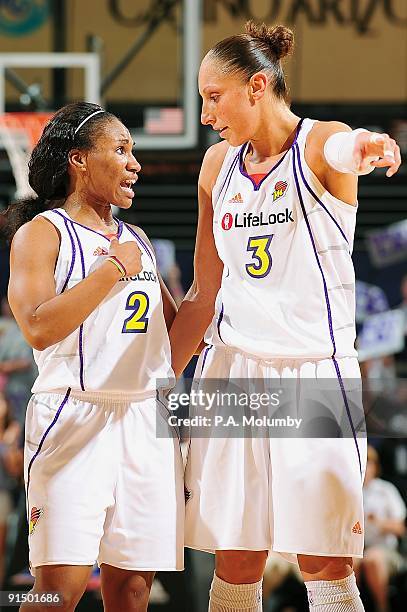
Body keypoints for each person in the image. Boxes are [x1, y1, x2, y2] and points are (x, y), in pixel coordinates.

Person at [169, 21, 401, 612]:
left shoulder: (320, 143)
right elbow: (201, 292)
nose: (204, 114)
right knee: (237, 554)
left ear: (256, 86)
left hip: (314, 374)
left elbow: (345, 147)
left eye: (212, 96)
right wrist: (157, 376)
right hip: (232, 370)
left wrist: (370, 146)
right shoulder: (215, 166)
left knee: (324, 558)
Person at [5, 102, 184, 612]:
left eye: (134, 152)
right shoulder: (42, 233)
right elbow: (37, 327)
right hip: (74, 414)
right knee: (56, 592)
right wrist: (108, 273)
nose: (135, 163)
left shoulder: (138, 240)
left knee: (132, 592)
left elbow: (172, 342)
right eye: (121, 149)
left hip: (145, 418)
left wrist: (215, 292)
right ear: (80, 160)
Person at [354, 445, 406, 612]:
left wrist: (379, 522)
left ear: (375, 466)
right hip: (356, 550)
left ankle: (382, 607)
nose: (364, 467)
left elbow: (401, 527)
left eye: (369, 463)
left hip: (385, 551)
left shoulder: (386, 490)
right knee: (348, 562)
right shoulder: (350, 491)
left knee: (373, 559)